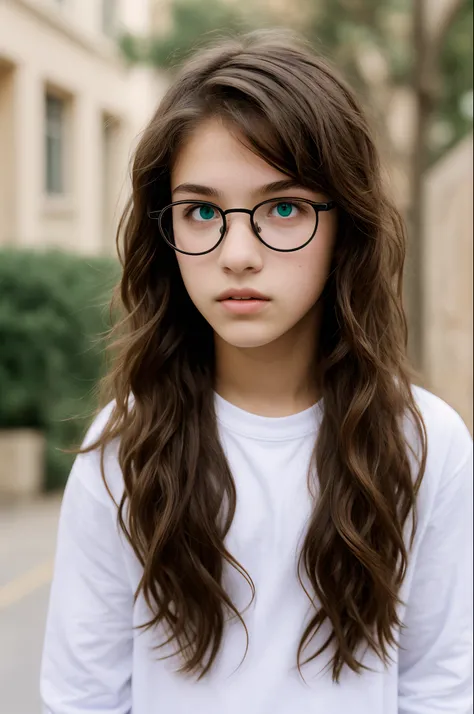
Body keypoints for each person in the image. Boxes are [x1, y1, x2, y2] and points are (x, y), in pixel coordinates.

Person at [40, 29, 473, 714]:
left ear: (344, 227)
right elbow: (84, 699)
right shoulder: (122, 451)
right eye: (203, 211)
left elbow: (440, 690)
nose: (238, 253)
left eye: (283, 208)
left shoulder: (427, 444)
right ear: (167, 231)